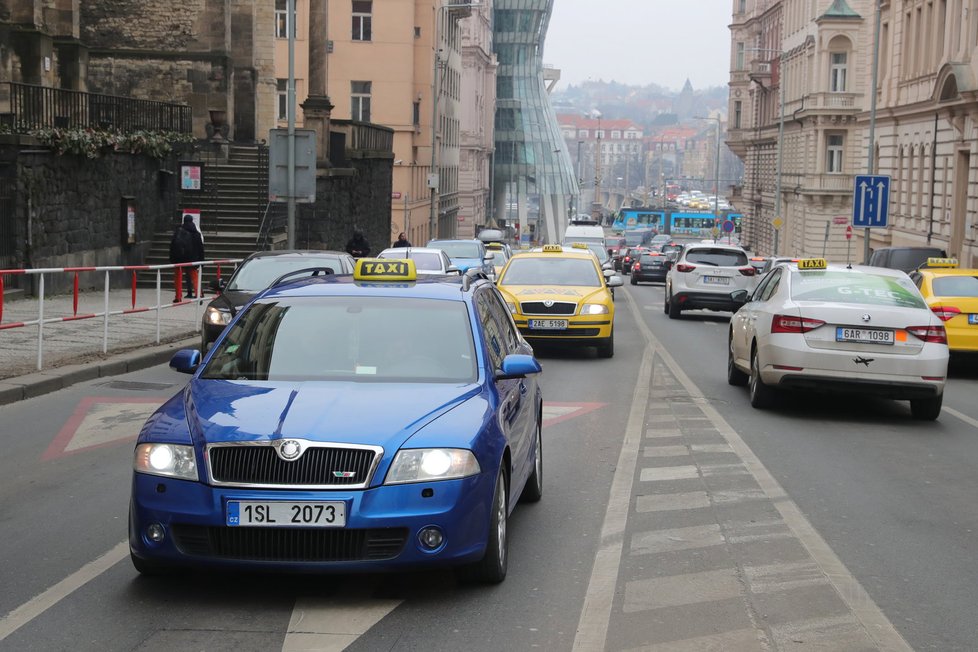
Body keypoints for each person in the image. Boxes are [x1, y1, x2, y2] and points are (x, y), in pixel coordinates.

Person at [169, 214, 205, 302]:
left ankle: (178, 296)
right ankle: (198, 293)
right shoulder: (196, 233)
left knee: (178, 277)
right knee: (195, 276)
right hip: (192, 260)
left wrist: (172, 259)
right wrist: (201, 260)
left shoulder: (178, 231)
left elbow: (172, 246)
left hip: (179, 259)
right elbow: (200, 248)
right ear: (192, 221)